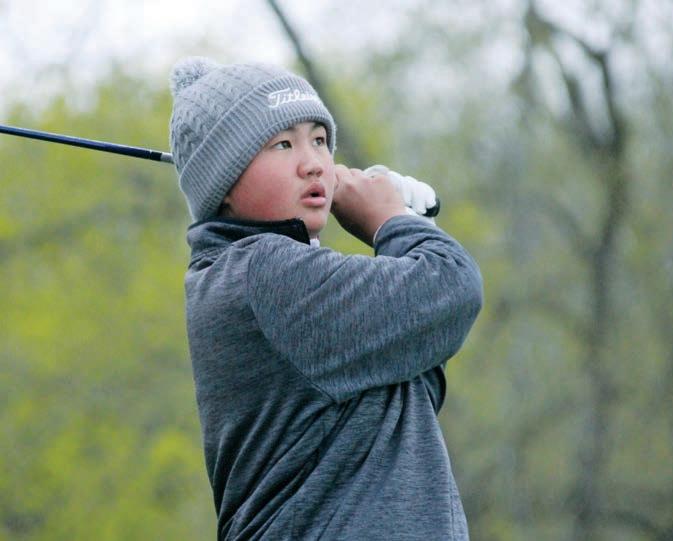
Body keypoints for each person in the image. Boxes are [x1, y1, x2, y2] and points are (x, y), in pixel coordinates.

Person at [169, 56, 483, 540]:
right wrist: (392, 223)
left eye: (318, 139)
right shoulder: (263, 274)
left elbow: (417, 383)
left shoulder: (264, 275)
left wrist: (414, 227)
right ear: (222, 181)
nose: (314, 162)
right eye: (282, 144)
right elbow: (453, 286)